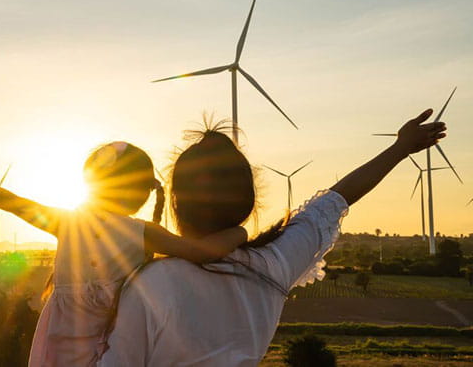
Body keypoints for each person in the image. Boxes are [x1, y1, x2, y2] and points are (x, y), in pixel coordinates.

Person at [98, 109, 446, 366]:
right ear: (247, 200)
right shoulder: (271, 266)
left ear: (177, 202)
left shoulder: (151, 284)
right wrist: (400, 148)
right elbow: (336, 200)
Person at [0, 141, 248, 366]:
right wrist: (240, 232)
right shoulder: (142, 233)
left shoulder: (68, 222)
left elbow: (11, 201)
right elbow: (200, 252)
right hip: (107, 351)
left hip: (60, 350)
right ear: (141, 192)